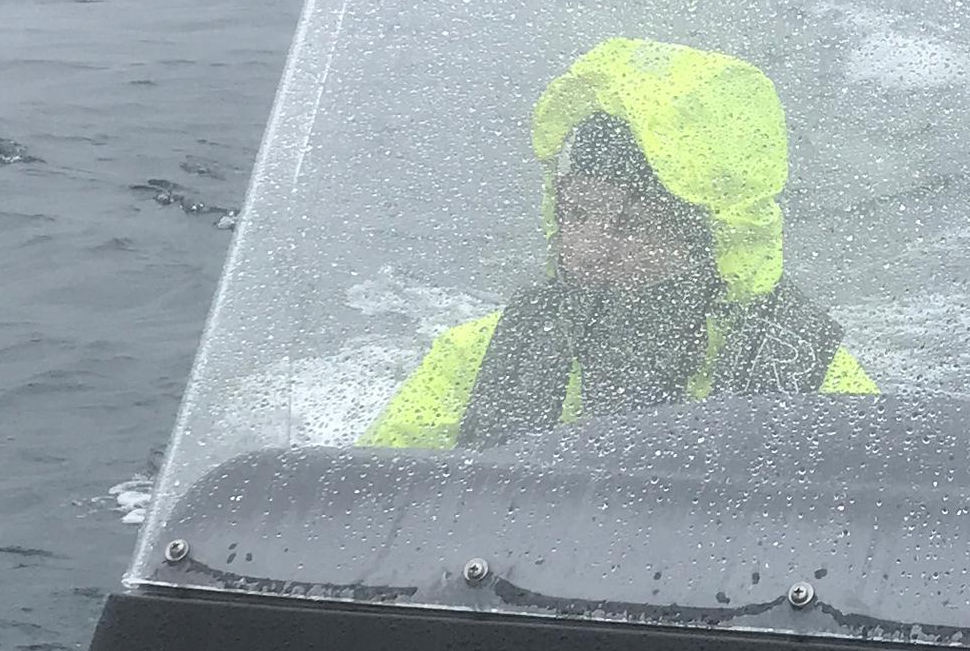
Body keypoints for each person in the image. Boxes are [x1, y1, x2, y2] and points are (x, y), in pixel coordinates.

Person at [363, 37, 876, 447]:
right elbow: (371, 508)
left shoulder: (800, 375)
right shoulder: (482, 358)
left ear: (711, 244)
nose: (590, 248)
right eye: (578, 213)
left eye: (634, 227)